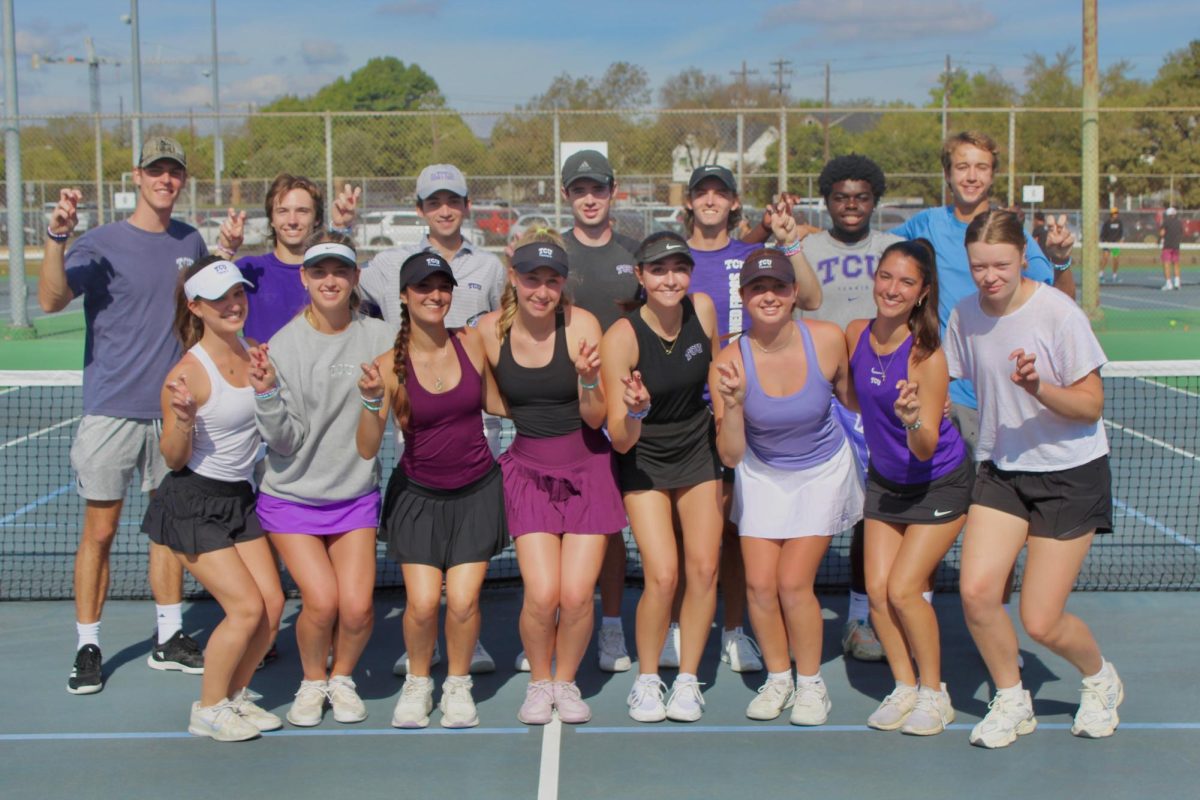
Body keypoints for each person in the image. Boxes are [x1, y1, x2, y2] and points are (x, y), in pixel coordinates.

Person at [40, 137, 211, 695]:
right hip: (111, 410)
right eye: (156, 171)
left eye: (174, 172)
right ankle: (88, 645)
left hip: (172, 410)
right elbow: (49, 300)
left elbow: (206, 313)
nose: (166, 180)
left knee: (167, 531)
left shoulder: (191, 240)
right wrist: (57, 237)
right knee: (101, 531)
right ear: (137, 176)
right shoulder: (101, 242)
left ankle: (169, 636)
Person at [948, 209, 1121, 749]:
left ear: (1024, 257)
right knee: (976, 593)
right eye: (979, 266)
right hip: (1002, 469)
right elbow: (943, 379)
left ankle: (1099, 680)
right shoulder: (964, 315)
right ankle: (1011, 696)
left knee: (1041, 621)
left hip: (1070, 475)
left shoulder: (1058, 314)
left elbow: (1091, 406)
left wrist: (1038, 387)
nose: (989, 276)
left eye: (1000, 264)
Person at [358, 164, 505, 677]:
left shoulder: (489, 272)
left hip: (476, 458)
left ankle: (464, 651)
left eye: (454, 200)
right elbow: (331, 290)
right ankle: (423, 664)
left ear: (466, 204)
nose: (434, 295)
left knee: (463, 601)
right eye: (422, 287)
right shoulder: (382, 270)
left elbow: (510, 355)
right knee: (422, 603)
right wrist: (374, 399)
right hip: (420, 470)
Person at [476, 231, 626, 725]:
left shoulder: (582, 324)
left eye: (552, 280)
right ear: (513, 278)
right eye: (531, 278)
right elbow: (487, 396)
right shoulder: (487, 331)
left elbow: (596, 414)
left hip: (588, 469)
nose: (541, 290)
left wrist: (586, 379)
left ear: (564, 284)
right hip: (527, 473)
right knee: (542, 595)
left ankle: (567, 681)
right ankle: (540, 683)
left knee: (578, 594)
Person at [710, 248, 863, 726]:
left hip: (822, 471)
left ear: (795, 293)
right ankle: (779, 678)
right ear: (744, 297)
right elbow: (731, 455)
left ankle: (812, 684)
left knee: (793, 583)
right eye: (758, 288)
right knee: (758, 586)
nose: (769, 296)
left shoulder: (828, 340)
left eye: (779, 287)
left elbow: (857, 403)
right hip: (761, 472)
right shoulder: (729, 361)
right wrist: (733, 405)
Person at [249, 232, 394, 727]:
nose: (330, 280)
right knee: (322, 600)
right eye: (319, 272)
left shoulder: (380, 337)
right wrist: (266, 396)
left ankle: (342, 677)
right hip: (292, 497)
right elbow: (284, 441)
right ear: (305, 279)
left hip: (354, 496)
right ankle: (313, 681)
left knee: (355, 609)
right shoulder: (285, 346)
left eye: (340, 272)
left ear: (355, 278)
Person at [143, 257, 284, 741]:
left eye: (238, 294)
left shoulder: (252, 353)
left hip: (239, 499)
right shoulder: (186, 375)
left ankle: (233, 697)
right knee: (245, 608)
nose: (233, 305)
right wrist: (181, 418)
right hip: (192, 501)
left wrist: (268, 386)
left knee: (272, 605)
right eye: (220, 298)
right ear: (196, 306)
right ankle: (207, 708)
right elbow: (174, 459)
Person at [844, 240, 971, 736]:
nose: (892, 289)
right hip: (886, 481)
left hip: (937, 482)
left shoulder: (926, 357)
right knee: (876, 591)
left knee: (903, 589)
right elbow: (852, 396)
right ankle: (904, 686)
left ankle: (935, 694)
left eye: (906, 282)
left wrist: (913, 419)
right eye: (886, 277)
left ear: (922, 293)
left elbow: (923, 448)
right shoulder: (856, 333)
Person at [601, 232, 723, 722]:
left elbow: (716, 374)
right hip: (644, 455)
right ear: (640, 276)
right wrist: (636, 411)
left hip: (698, 450)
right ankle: (648, 679)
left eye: (678, 268)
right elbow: (620, 438)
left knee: (704, 569)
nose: (669, 279)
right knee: (663, 574)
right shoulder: (622, 338)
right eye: (658, 270)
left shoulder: (704, 310)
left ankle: (688, 680)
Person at [788, 153, 905, 663]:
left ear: (875, 200)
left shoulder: (893, 250)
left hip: (876, 398)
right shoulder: (804, 246)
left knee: (869, 511)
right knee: (803, 504)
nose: (851, 205)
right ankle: (793, 609)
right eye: (840, 197)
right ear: (827, 201)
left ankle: (860, 617)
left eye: (861, 197)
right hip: (815, 394)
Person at [554, 149, 643, 675]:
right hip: (562, 412)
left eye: (599, 189)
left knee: (608, 527)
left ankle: (610, 626)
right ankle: (557, 624)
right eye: (579, 190)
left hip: (624, 412)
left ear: (613, 192)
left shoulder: (634, 256)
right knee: (555, 523)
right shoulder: (552, 254)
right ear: (567, 196)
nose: (590, 198)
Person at [225, 174, 360, 343]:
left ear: (317, 218)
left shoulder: (333, 276)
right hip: (267, 368)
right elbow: (203, 298)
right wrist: (226, 249)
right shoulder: (251, 270)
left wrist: (341, 229)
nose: (292, 221)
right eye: (282, 211)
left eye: (302, 211)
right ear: (271, 219)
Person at [1160, 207, 1183, 291]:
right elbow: (1181, 233)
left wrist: (1160, 239)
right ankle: (1177, 282)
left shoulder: (1166, 222)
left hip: (1167, 246)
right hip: (1176, 246)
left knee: (1167, 264)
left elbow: (1162, 233)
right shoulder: (1179, 223)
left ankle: (1168, 283)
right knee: (1176, 264)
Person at [1099, 208, 1124, 284]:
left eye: (1117, 213)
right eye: (1114, 213)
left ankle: (1114, 276)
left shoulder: (1119, 223)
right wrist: (1105, 241)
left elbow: (1121, 233)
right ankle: (1101, 274)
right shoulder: (1107, 223)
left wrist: (1120, 240)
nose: (1116, 215)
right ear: (1111, 214)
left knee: (1116, 259)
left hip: (1115, 244)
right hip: (1107, 243)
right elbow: (1102, 234)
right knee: (1105, 258)